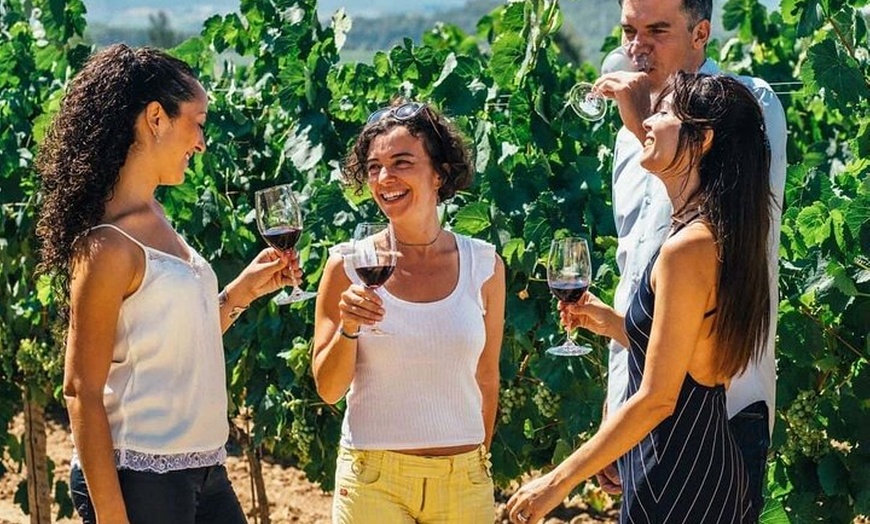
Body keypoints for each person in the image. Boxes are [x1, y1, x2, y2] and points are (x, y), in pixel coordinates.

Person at [35, 44, 300, 524]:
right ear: (155, 117)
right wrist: (113, 516)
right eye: (196, 122)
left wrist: (241, 293)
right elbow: (80, 390)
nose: (201, 141)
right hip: (140, 477)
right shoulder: (107, 246)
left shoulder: (155, 216)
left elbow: (171, 344)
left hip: (204, 467)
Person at [509, 72, 773, 523]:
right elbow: (695, 357)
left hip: (679, 478)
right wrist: (614, 322)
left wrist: (555, 483)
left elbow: (658, 397)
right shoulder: (714, 234)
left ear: (702, 139)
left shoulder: (688, 248)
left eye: (665, 112)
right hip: (693, 469)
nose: (648, 122)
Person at [581, 0, 787, 509]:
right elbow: (634, 277)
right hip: (644, 403)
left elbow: (725, 211)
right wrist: (617, 405)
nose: (636, 47)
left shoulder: (748, 104)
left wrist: (644, 124)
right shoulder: (636, 136)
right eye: (628, 31)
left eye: (656, 30)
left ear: (701, 33)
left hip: (723, 408)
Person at [312, 100, 505, 523]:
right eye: (375, 166)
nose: (385, 178)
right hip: (373, 482)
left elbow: (487, 377)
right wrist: (348, 328)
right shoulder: (347, 266)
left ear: (439, 173)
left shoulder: (485, 265)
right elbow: (328, 389)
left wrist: (473, 464)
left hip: (463, 481)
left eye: (402, 162)